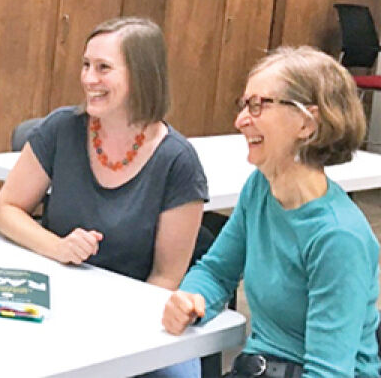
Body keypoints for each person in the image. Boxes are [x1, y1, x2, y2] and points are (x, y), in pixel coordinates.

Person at [0, 17, 207, 376]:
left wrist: (109, 334)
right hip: (57, 304)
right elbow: (5, 209)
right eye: (86, 64)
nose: (88, 78)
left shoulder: (177, 161)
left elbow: (165, 279)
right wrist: (57, 246)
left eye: (103, 68)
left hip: (137, 320)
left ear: (141, 75)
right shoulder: (62, 128)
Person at [162, 47, 380, 377]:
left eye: (258, 106)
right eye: (244, 105)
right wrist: (192, 299)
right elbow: (216, 271)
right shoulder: (260, 188)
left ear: (307, 123)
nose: (241, 120)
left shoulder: (338, 237)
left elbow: (328, 373)